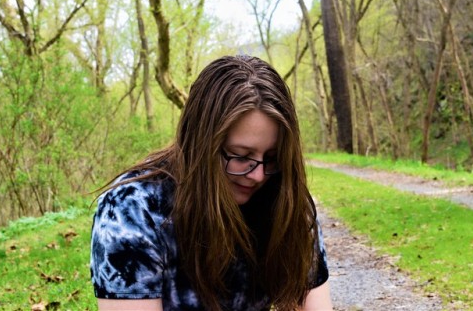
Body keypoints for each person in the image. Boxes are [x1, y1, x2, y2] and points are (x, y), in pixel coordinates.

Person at [90, 55, 333, 310]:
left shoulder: (283, 197)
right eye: (241, 155)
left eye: (272, 157)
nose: (258, 175)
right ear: (200, 144)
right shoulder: (132, 211)